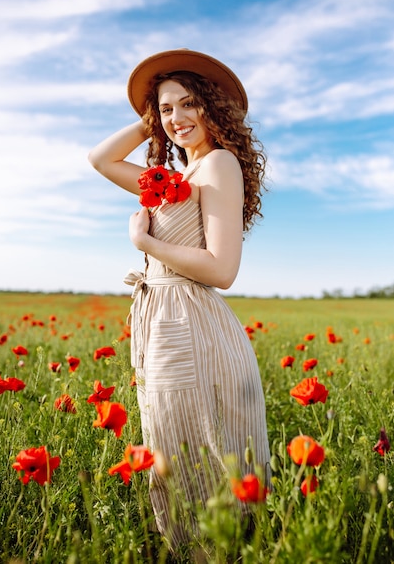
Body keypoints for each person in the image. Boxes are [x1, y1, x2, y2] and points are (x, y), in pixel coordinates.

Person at [88, 49, 270, 547]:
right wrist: (155, 122)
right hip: (163, 322)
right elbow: (100, 159)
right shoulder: (173, 179)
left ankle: (219, 553)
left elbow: (223, 269)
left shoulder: (218, 165)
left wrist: (147, 245)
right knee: (173, 444)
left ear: (214, 108)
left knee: (200, 451)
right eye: (167, 108)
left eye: (190, 103)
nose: (177, 118)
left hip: (191, 324)